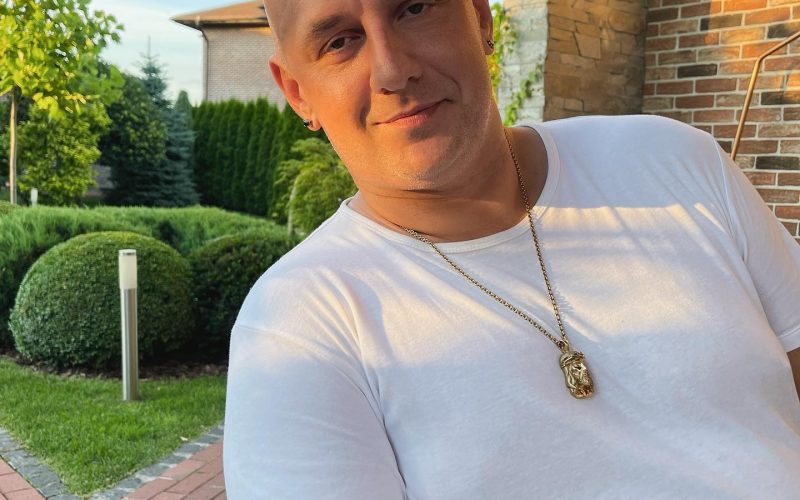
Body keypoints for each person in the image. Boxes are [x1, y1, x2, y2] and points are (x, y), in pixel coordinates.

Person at [223, 1, 800, 498]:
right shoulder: (300, 328)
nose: (393, 71)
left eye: (414, 8)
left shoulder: (675, 164)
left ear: (479, 15)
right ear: (297, 92)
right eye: (340, 42)